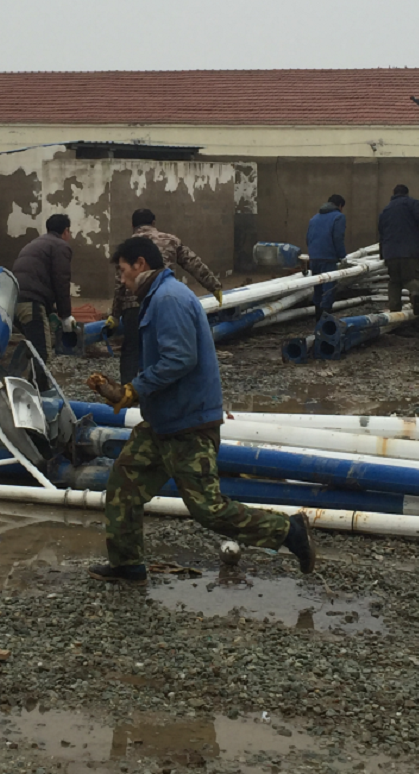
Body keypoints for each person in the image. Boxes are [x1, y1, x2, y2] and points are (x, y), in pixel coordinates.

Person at [87, 235, 316, 585]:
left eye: (122, 271)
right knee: (124, 485)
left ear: (140, 264)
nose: (121, 280)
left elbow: (180, 359)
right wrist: (127, 394)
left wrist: (136, 388)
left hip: (188, 425)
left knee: (208, 509)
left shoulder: (168, 299)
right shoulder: (157, 297)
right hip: (163, 422)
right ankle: (127, 565)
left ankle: (288, 531)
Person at [105, 209, 224, 384]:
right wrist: (214, 286)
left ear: (132, 225)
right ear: (154, 223)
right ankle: (155, 384)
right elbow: (193, 263)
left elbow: (120, 285)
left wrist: (115, 315)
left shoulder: (129, 248)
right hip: (161, 303)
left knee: (131, 349)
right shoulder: (171, 241)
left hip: (133, 306)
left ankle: (128, 389)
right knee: (160, 350)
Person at [11, 213, 75, 361]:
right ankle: (32, 376)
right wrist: (66, 316)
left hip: (14, 303)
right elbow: (61, 281)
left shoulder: (35, 244)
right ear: (66, 231)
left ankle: (22, 372)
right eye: (69, 231)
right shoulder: (60, 246)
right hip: (31, 304)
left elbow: (37, 279)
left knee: (34, 347)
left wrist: (52, 311)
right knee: (42, 354)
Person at [378, 184, 419, 314]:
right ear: (406, 193)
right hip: (409, 251)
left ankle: (394, 310)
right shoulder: (411, 203)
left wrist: (383, 254)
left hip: (390, 253)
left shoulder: (385, 210)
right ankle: (414, 294)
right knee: (410, 278)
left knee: (394, 281)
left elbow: (381, 233)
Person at [306, 194, 347, 321]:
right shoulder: (338, 217)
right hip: (328, 258)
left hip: (314, 258)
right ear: (340, 206)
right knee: (328, 290)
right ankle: (325, 321)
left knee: (318, 289)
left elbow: (308, 238)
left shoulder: (314, 218)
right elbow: (338, 238)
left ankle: (318, 318)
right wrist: (342, 256)